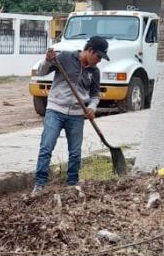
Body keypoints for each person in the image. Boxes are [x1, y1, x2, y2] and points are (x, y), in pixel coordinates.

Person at [32, 36, 108, 196]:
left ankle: (72, 184)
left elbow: (95, 95)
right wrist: (47, 60)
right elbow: (42, 71)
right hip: (55, 109)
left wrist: (92, 107)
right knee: (46, 147)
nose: (99, 60)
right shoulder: (66, 57)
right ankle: (39, 184)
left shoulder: (94, 72)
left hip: (76, 114)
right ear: (90, 50)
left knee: (75, 152)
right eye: (98, 56)